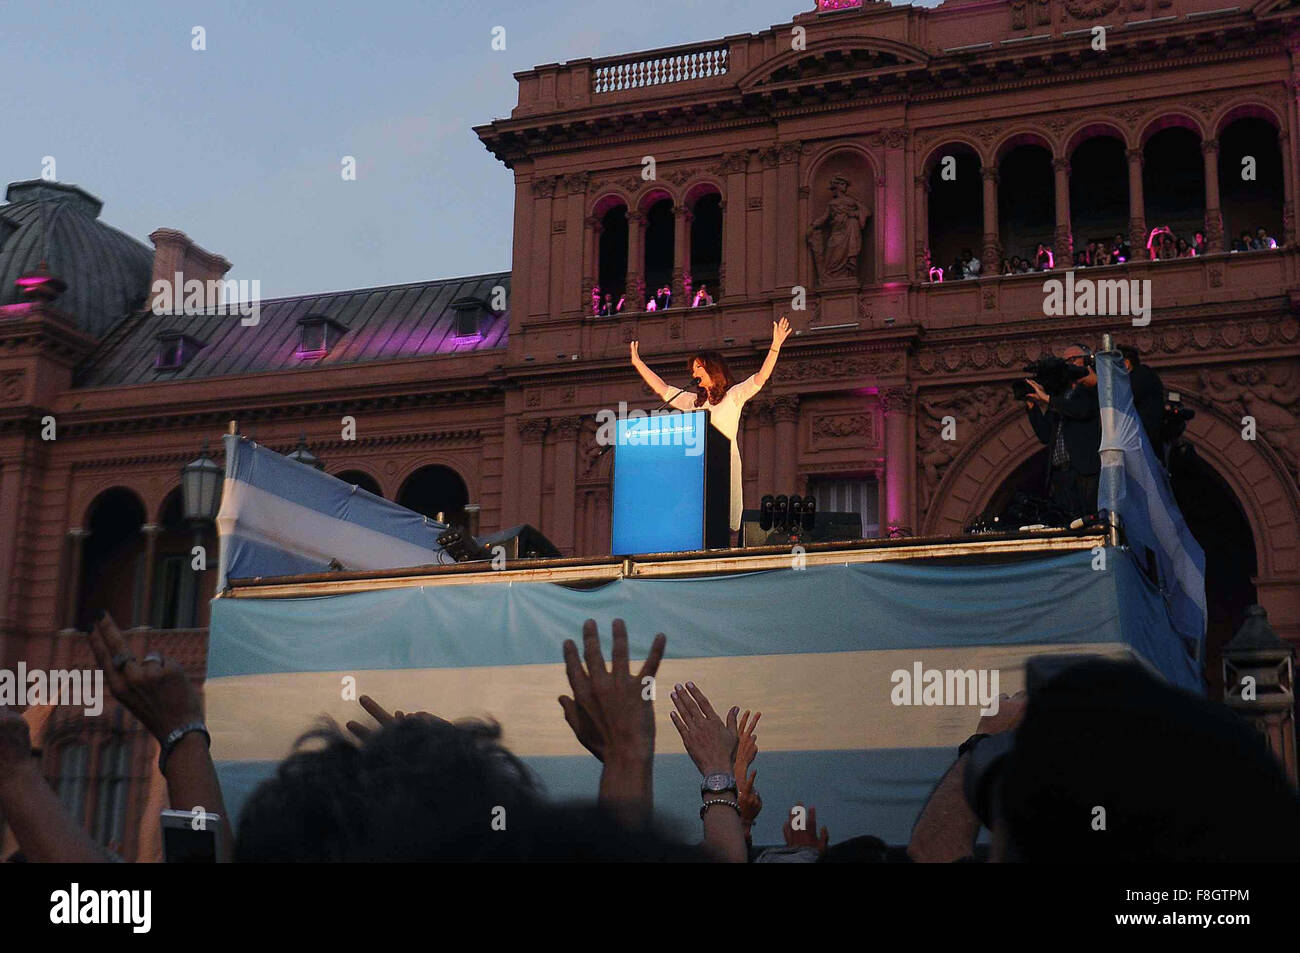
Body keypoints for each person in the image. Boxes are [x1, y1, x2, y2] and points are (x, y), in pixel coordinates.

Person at [629, 317, 792, 536]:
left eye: (698, 368)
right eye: (693, 370)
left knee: (721, 516)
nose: (694, 373)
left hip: (723, 461)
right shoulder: (692, 402)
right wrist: (638, 363)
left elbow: (761, 378)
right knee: (696, 517)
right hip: (696, 465)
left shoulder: (733, 396)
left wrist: (775, 346)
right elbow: (664, 389)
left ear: (712, 369)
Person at [1024, 345, 1101, 519]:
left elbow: (1081, 410)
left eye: (1073, 359)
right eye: (1065, 362)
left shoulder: (1090, 390)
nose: (1068, 365)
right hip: (1060, 472)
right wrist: (1032, 407)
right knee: (1066, 520)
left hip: (1084, 469)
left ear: (1088, 360)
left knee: (1090, 518)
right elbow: (1045, 435)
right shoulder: (1061, 395)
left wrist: (1048, 399)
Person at [1120, 344, 1165, 451]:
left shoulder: (1140, 376)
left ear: (1126, 364)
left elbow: (1125, 398)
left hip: (1142, 441)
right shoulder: (1146, 375)